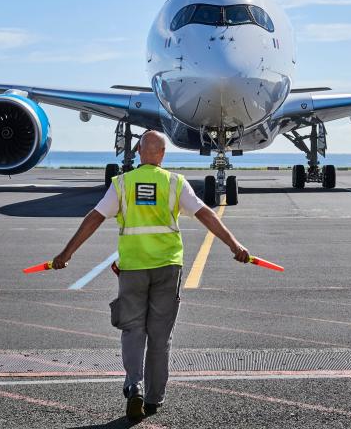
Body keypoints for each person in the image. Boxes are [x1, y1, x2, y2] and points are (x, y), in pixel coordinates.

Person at [50, 130, 250, 423]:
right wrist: (235, 244)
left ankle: (135, 386)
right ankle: (154, 399)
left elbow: (94, 218)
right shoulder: (174, 182)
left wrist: (66, 253)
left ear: (140, 152)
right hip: (168, 268)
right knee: (160, 337)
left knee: (132, 330)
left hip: (131, 269)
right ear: (163, 155)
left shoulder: (122, 183)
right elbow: (205, 213)